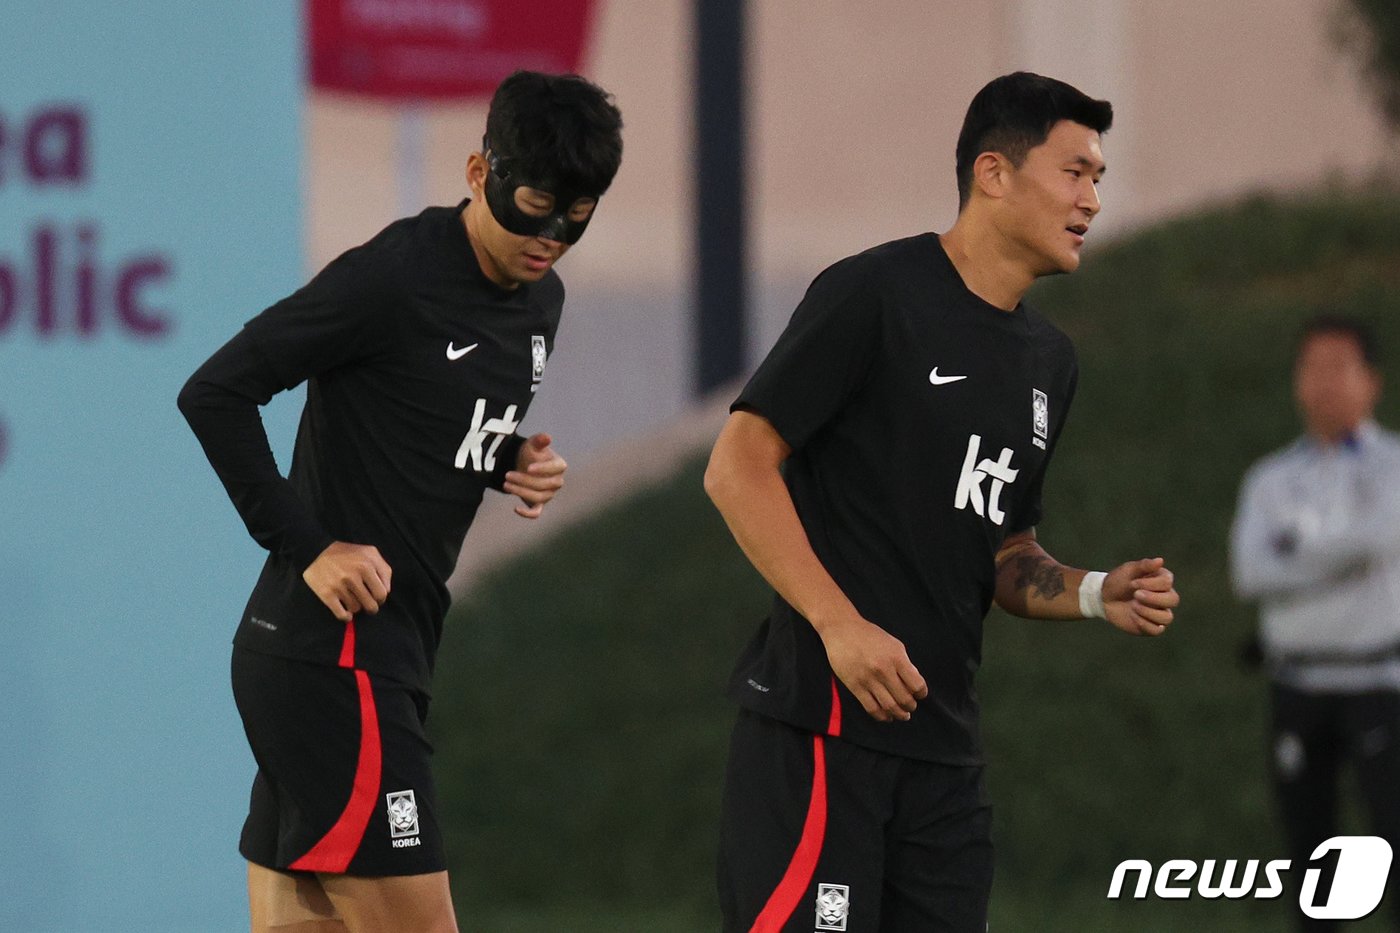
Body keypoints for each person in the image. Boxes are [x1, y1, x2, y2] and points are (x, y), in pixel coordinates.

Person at [703, 71, 1179, 932]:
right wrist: (840, 625)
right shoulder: (874, 295)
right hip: (821, 735)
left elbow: (1006, 554)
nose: (1093, 201)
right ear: (994, 173)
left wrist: (1091, 591)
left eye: (1100, 179)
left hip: (943, 760)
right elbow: (737, 466)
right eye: (1075, 172)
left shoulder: (1048, 363)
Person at [178, 71, 623, 933]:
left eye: (576, 216)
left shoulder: (543, 303)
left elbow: (426, 414)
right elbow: (215, 392)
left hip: (364, 659)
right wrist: (311, 547)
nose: (549, 237)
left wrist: (505, 458)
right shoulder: (394, 277)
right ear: (475, 169)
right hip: (335, 663)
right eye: (532, 203)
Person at [1230, 315, 1400, 931]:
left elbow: (1379, 537)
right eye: (1312, 367)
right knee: (1312, 867)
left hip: (1382, 684)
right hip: (1297, 686)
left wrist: (1295, 556)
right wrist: (1344, 558)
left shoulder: (1394, 466)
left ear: (1372, 380)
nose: (1324, 382)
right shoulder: (1270, 479)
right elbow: (1251, 573)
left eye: (1340, 366)